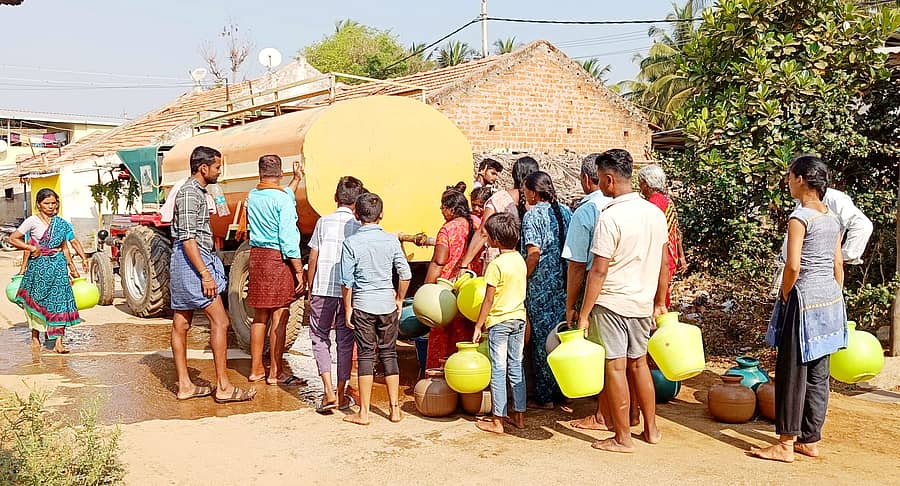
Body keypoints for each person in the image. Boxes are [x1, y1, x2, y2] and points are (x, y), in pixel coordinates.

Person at [751, 155, 847, 463]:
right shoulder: (832, 218)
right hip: (830, 300)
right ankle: (810, 439)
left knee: (791, 372)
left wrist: (784, 294)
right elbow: (838, 265)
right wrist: (834, 295)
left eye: (790, 176)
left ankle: (785, 443)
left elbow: (793, 266)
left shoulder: (800, 218)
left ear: (802, 179)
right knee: (818, 375)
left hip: (803, 300)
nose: (788, 182)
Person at [577, 149, 668, 453]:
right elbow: (664, 263)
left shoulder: (610, 216)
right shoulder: (654, 214)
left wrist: (584, 313)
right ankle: (651, 429)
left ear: (608, 179)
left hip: (612, 302)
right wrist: (658, 301)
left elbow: (599, 270)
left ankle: (622, 437)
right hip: (642, 301)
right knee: (639, 364)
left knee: (615, 368)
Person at [169, 146, 254, 403]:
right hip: (192, 261)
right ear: (203, 168)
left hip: (188, 261)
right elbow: (188, 238)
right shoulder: (189, 194)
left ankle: (185, 385)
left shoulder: (198, 192)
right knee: (221, 321)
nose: (219, 172)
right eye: (217, 167)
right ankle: (223, 386)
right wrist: (205, 274)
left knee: (182, 322)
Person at [340, 193, 411, 425]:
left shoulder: (350, 243)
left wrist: (348, 308)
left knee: (365, 355)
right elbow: (405, 274)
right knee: (389, 353)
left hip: (362, 304)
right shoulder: (391, 241)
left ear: (356, 215)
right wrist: (399, 299)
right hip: (387, 304)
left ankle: (364, 413)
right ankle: (395, 410)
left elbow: (346, 282)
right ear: (381, 215)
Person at [562, 154, 618, 430]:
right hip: (628, 289)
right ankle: (630, 414)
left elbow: (577, 265)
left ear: (586, 179)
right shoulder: (629, 207)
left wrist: (572, 305)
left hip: (596, 288)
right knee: (629, 359)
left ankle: (602, 415)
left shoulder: (585, 212)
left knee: (603, 355)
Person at [246, 154, 306, 386]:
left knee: (260, 316)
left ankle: (256, 369)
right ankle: (276, 372)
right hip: (277, 259)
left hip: (257, 257)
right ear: (280, 173)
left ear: (260, 173)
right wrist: (299, 271)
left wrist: (296, 180)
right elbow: (288, 239)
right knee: (280, 314)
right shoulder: (282, 200)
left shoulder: (253, 195)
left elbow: (282, 194)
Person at [307, 176, 365, 413]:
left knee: (319, 337)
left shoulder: (323, 222)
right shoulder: (359, 226)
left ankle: (328, 392)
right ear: (357, 201)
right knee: (345, 341)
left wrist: (310, 288)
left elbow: (313, 257)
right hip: (348, 293)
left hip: (323, 289)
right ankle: (341, 394)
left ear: (335, 197)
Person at [10, 188, 89, 354]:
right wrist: (31, 248)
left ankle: (58, 342)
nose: (51, 206)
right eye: (47, 203)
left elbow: (68, 245)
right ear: (39, 204)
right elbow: (13, 239)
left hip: (58, 267)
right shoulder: (32, 221)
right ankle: (35, 336)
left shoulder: (62, 224)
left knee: (60, 302)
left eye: (54, 203)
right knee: (37, 300)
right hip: (38, 268)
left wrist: (80, 261)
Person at [471, 212, 527, 433]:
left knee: (498, 369)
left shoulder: (496, 265)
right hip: (519, 319)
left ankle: (497, 420)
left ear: (495, 239)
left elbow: (488, 299)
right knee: (516, 367)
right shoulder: (520, 260)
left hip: (499, 322)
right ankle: (519, 416)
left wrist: (478, 325)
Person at [521, 171, 572, 409]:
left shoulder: (532, 216)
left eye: (525, 190)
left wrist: (521, 277)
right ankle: (564, 390)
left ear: (533, 192)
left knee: (542, 343)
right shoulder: (566, 212)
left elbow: (533, 254)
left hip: (540, 286)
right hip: (563, 284)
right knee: (561, 337)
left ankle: (545, 397)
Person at [425, 183, 476, 368]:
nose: (441, 209)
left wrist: (426, 289)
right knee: (467, 336)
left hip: (446, 290)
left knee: (443, 336)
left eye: (443, 206)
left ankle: (439, 375)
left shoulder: (447, 229)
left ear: (452, 209)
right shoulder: (476, 224)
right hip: (471, 288)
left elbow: (439, 261)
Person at [459, 156, 539, 273]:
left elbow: (483, 232)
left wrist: (464, 265)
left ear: (514, 175)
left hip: (499, 266)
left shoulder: (499, 199)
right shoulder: (539, 204)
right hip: (530, 268)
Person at [638, 164, 687, 307]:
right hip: (670, 255)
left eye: (641, 182)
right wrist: (681, 256)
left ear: (647, 184)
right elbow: (676, 231)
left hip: (661, 257)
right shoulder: (666, 200)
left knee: (658, 296)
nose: (640, 187)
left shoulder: (655, 203)